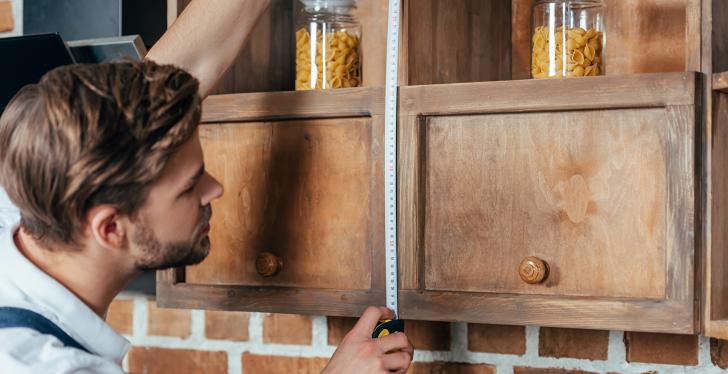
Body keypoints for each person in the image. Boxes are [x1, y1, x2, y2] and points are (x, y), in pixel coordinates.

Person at [0, 0, 413, 373]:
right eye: (189, 186)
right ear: (109, 228)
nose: (214, 189)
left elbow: (172, 72)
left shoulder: (31, 202)